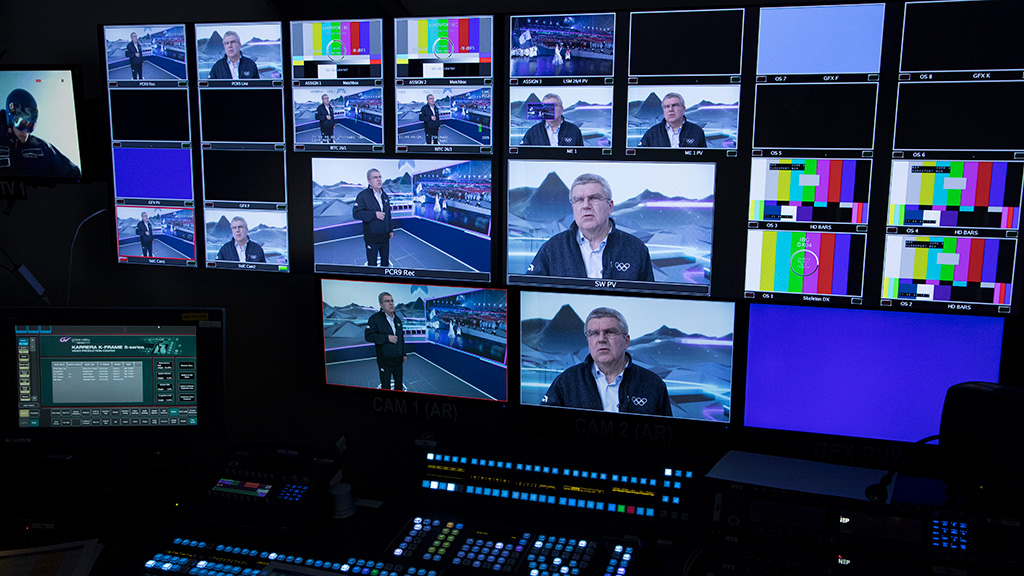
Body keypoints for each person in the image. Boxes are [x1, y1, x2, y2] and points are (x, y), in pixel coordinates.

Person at [541, 307, 671, 416]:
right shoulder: (566, 382)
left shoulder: (653, 385)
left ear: (626, 341)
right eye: (594, 333)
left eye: (610, 332)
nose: (601, 339)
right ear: (588, 341)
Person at [526, 173, 654, 281]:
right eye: (579, 200)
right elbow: (530, 290)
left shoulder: (636, 249)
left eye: (594, 198)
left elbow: (649, 298)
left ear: (610, 206)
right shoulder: (553, 248)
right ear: (573, 207)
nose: (586, 205)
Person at [1, 88, 82, 179]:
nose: (26, 132)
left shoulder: (42, 148)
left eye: (31, 126)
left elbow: (73, 174)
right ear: (10, 120)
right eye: (22, 124)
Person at [364, 292, 407, 391]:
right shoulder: (375, 319)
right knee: (386, 387)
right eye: (387, 301)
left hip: (398, 360)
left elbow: (401, 338)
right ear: (381, 304)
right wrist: (387, 338)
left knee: (399, 386)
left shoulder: (398, 320)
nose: (391, 303)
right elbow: (368, 336)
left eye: (392, 301)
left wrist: (403, 354)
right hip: (385, 361)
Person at [352, 168, 393, 267]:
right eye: (375, 177)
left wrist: (390, 230)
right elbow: (356, 214)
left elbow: (388, 214)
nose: (379, 179)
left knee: (385, 264)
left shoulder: (385, 196)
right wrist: (374, 214)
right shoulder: (363, 196)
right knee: (372, 265)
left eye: (380, 177)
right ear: (369, 181)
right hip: (372, 238)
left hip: (385, 238)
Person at [638, 92, 706, 148]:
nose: (670, 109)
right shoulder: (651, 133)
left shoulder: (697, 131)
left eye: (675, 105)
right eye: (667, 106)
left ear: (683, 109)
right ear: (663, 111)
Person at [519, 93, 584, 147]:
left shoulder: (574, 130)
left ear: (561, 109)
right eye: (545, 106)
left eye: (553, 106)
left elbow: (581, 156)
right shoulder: (533, 132)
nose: (549, 109)